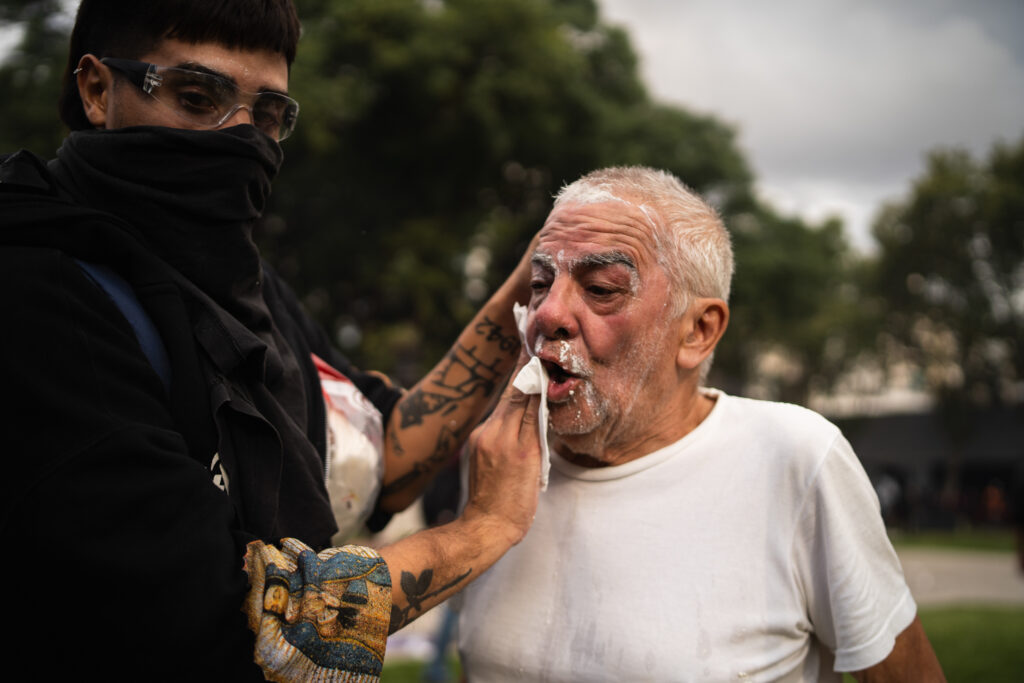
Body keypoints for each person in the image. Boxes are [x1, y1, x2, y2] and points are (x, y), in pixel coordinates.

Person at [0, 1, 541, 680]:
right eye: (198, 98)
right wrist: (481, 529)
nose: (239, 139)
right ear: (97, 88)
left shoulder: (244, 288)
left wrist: (529, 285)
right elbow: (224, 618)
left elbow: (373, 455)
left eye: (265, 116)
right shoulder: (39, 293)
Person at [455, 166, 946, 681]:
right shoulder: (498, 459)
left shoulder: (794, 457)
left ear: (697, 332)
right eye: (539, 283)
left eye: (601, 288)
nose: (546, 313)